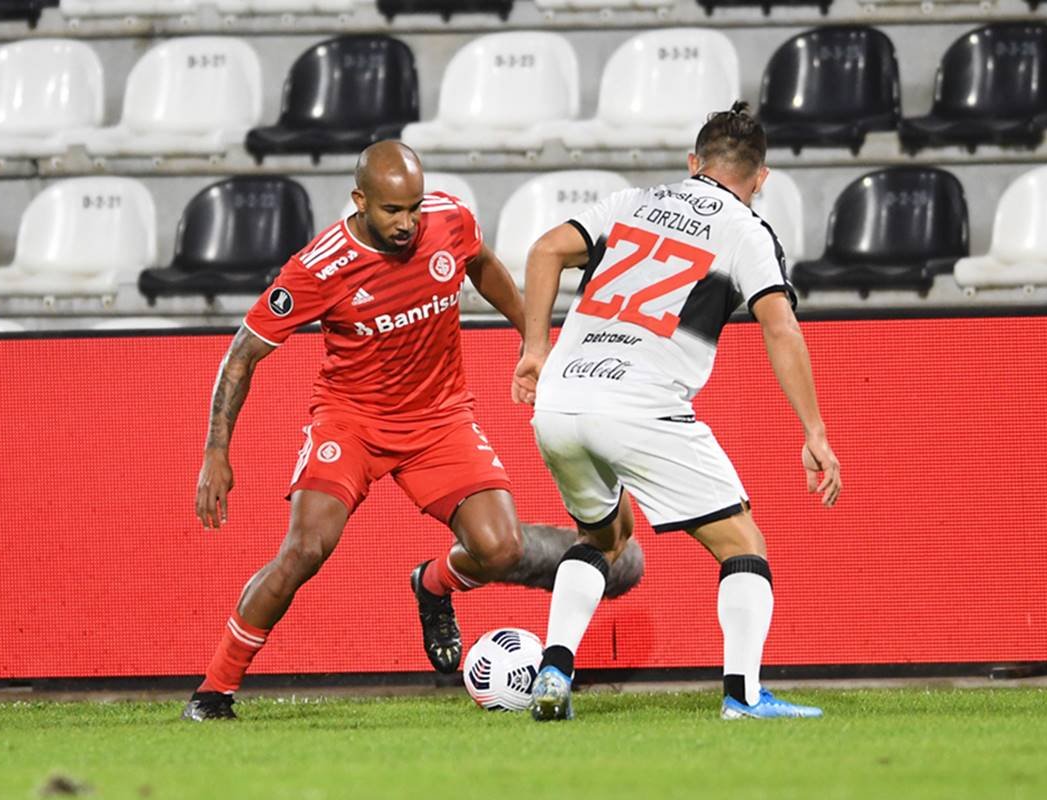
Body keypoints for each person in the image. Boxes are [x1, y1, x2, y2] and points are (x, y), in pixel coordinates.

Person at [182, 141, 642, 722]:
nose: (406, 223)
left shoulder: (449, 220)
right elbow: (242, 355)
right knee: (304, 549)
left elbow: (484, 266)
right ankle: (214, 690)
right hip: (351, 421)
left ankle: (433, 585)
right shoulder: (318, 268)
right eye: (392, 210)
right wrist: (215, 453)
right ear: (360, 200)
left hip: (440, 419)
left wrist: (534, 341)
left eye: (414, 208)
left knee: (499, 548)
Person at [512, 102, 842, 722]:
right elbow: (781, 326)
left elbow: (543, 251)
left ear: (693, 164)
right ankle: (743, 698)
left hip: (559, 398)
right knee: (743, 544)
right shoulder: (747, 230)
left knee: (604, 537)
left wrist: (535, 350)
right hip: (640, 404)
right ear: (761, 178)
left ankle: (553, 670)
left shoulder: (626, 202)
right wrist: (814, 431)